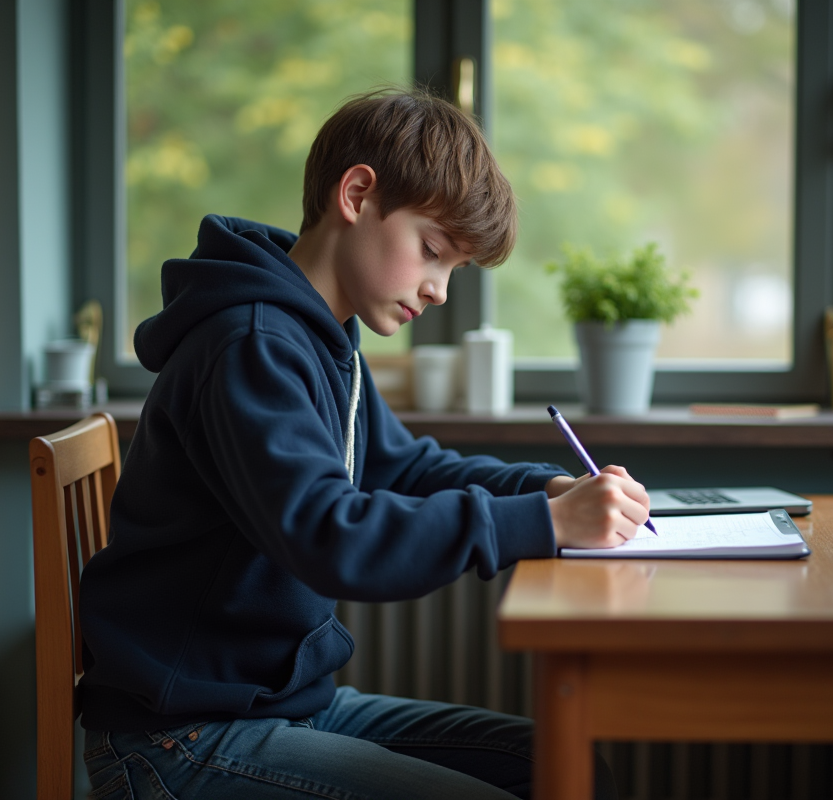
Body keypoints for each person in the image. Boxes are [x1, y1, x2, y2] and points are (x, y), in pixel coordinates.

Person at [78, 89, 651, 800]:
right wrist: (544, 526)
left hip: (282, 706)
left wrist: (545, 491)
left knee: (565, 767)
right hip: (181, 736)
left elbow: (400, 466)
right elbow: (329, 535)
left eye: (454, 269)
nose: (439, 290)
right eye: (432, 251)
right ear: (356, 194)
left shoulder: (322, 335)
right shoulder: (250, 344)